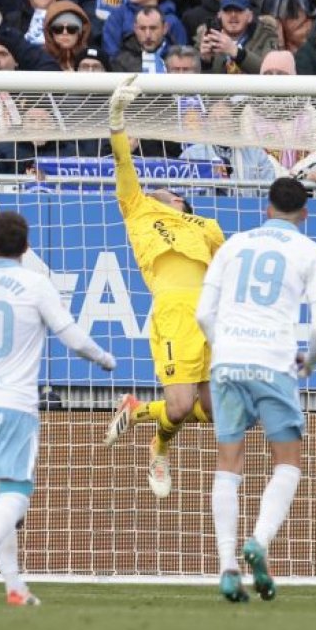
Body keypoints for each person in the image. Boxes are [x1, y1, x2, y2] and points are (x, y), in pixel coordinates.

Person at [0, 210, 116, 606]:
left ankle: (14, 588)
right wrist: (103, 359)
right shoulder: (35, 284)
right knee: (16, 496)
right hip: (13, 406)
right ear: (26, 247)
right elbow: (71, 335)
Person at [195, 176, 316, 602]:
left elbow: (203, 314)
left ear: (266, 209)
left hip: (228, 360)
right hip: (274, 361)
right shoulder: (311, 252)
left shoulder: (234, 244)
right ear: (304, 215)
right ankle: (258, 541)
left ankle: (227, 567)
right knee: (287, 463)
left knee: (227, 463)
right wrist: (307, 363)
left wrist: (226, 349)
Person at [102, 78, 225, 498]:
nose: (157, 191)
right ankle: (159, 449)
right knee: (177, 407)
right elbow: (123, 166)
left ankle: (137, 411)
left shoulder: (205, 226)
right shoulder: (137, 210)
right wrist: (117, 122)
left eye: (167, 191)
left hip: (210, 316)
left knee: (215, 412)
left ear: (181, 202)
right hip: (173, 313)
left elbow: (227, 271)